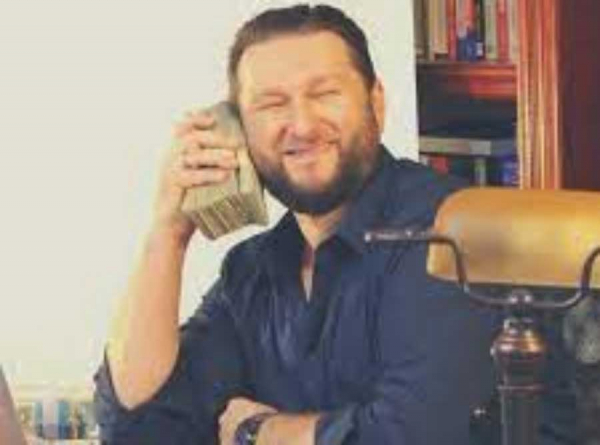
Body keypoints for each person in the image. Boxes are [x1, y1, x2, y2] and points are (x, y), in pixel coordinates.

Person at [93, 4, 573, 444]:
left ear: (376, 104)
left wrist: (258, 431)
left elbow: (411, 435)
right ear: (239, 131)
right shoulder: (251, 270)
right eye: (271, 104)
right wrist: (168, 234)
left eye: (325, 94)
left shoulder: (450, 231)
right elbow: (138, 425)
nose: (302, 125)